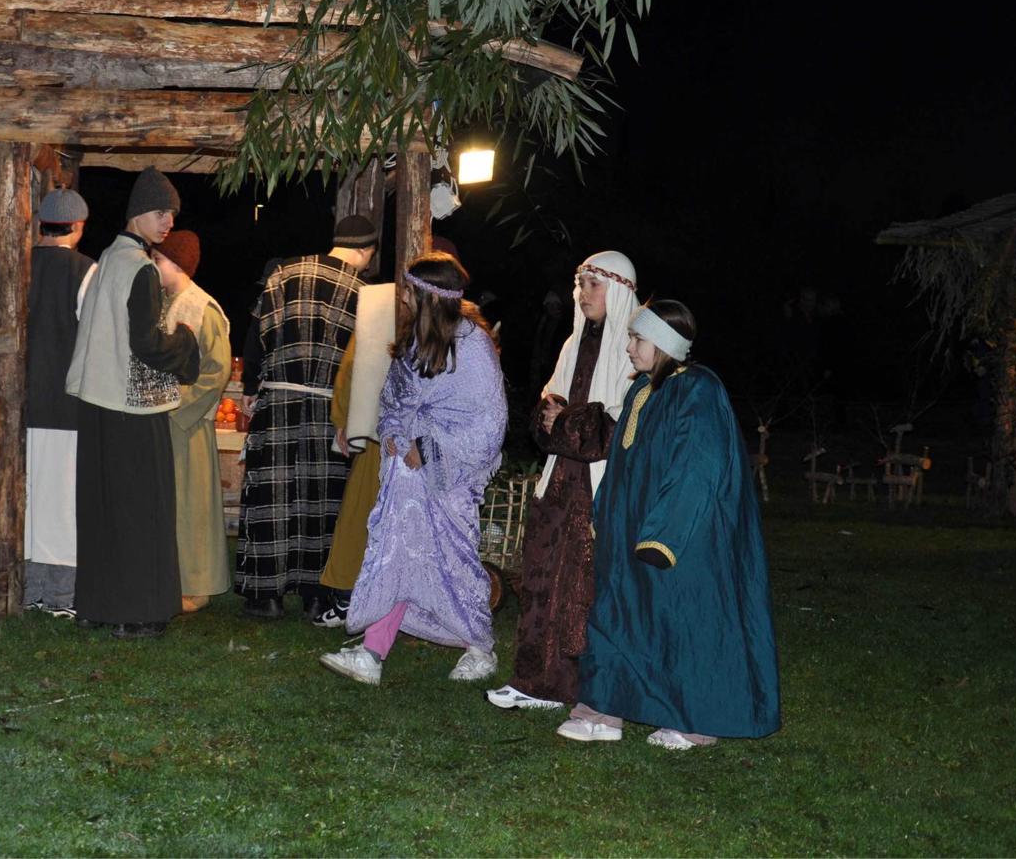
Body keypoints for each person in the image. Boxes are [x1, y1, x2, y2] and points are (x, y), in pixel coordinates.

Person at [558, 300, 780, 749]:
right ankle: (603, 709)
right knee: (619, 617)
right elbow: (622, 465)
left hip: (680, 537)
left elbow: (699, 466)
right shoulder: (642, 391)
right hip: (629, 532)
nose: (629, 348)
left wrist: (665, 534)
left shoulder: (698, 389)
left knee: (682, 623)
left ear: (663, 343)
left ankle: (694, 721)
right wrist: (605, 514)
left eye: (637, 339)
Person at [319, 253, 508, 686]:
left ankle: (479, 647)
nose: (403, 297)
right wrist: (391, 432)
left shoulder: (473, 348)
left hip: (448, 480)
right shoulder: (413, 340)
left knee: (453, 562)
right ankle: (372, 653)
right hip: (405, 478)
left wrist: (429, 447)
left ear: (428, 296)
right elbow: (395, 399)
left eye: (409, 290)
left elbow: (488, 422)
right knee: (396, 555)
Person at [488, 252, 638, 711]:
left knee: (580, 589)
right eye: (580, 284)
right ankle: (534, 679)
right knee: (541, 577)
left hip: (598, 487)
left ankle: (578, 687)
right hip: (558, 482)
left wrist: (567, 419)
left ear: (618, 290)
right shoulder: (573, 343)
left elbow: (622, 427)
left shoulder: (632, 349)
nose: (582, 293)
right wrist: (552, 416)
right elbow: (547, 412)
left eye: (593, 284)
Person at [65, 168, 199, 639]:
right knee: (143, 507)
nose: (168, 223)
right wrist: (185, 342)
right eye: (161, 213)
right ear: (138, 213)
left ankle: (99, 604)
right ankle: (141, 611)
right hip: (130, 407)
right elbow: (147, 345)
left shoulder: (108, 257)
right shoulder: (141, 268)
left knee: (103, 505)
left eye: (172, 215)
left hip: (97, 403)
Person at [236, 216, 376, 620]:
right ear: (366, 251)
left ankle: (265, 596)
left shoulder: (282, 274)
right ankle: (317, 595)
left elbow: (255, 333)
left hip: (278, 400)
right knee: (324, 501)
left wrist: (250, 385)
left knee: (272, 496)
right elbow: (366, 361)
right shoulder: (365, 293)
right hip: (330, 409)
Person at [314, 238, 458, 628]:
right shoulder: (384, 311)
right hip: (385, 438)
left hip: (428, 448)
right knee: (364, 518)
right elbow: (354, 366)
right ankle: (348, 596)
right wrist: (347, 419)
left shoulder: (457, 330)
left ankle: (403, 606)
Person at [21, 188, 97, 614]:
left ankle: (27, 589)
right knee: (63, 504)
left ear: (42, 224)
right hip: (67, 405)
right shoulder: (86, 271)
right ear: (78, 226)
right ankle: (60, 596)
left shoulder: (18, 265)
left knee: (27, 499)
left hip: (18, 402)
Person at [151, 230, 233, 613]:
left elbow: (217, 370)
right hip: (161, 416)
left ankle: (197, 585)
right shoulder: (162, 303)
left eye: (159, 260)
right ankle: (167, 577)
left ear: (178, 264)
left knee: (192, 504)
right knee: (169, 501)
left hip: (187, 422)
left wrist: (179, 406)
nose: (154, 266)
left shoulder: (203, 308)